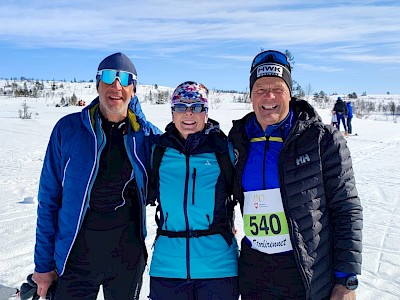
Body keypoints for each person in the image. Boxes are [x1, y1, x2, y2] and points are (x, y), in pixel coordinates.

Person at [228, 50, 363, 300]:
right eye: (260, 89)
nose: (269, 96)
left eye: (277, 88)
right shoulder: (238, 139)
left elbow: (346, 208)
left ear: (289, 93)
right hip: (255, 269)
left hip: (304, 270)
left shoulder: (322, 139)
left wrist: (347, 280)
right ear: (250, 96)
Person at [32, 52, 161, 300]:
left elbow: (181, 164)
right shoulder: (68, 130)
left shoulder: (148, 138)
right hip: (76, 258)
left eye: (124, 79)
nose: (116, 85)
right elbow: (48, 200)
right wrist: (43, 265)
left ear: (133, 89)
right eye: (109, 77)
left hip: (126, 257)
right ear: (97, 84)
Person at [147, 81, 239, 300]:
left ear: (205, 112)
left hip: (218, 267)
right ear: (172, 113)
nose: (188, 113)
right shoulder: (158, 151)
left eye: (196, 107)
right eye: (181, 107)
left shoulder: (223, 150)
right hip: (166, 268)